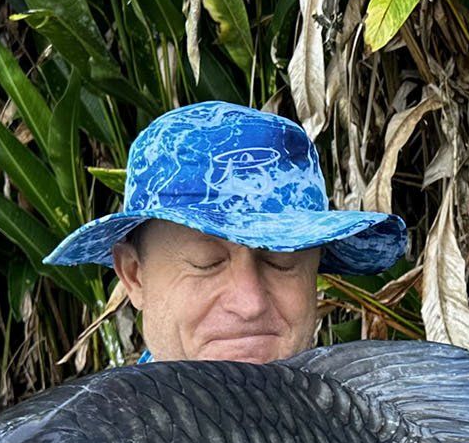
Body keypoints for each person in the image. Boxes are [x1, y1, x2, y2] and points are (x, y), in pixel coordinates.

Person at [43, 102, 406, 363]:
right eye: (207, 262)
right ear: (135, 276)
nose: (250, 304)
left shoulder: (380, 437)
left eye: (280, 260)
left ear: (315, 266)